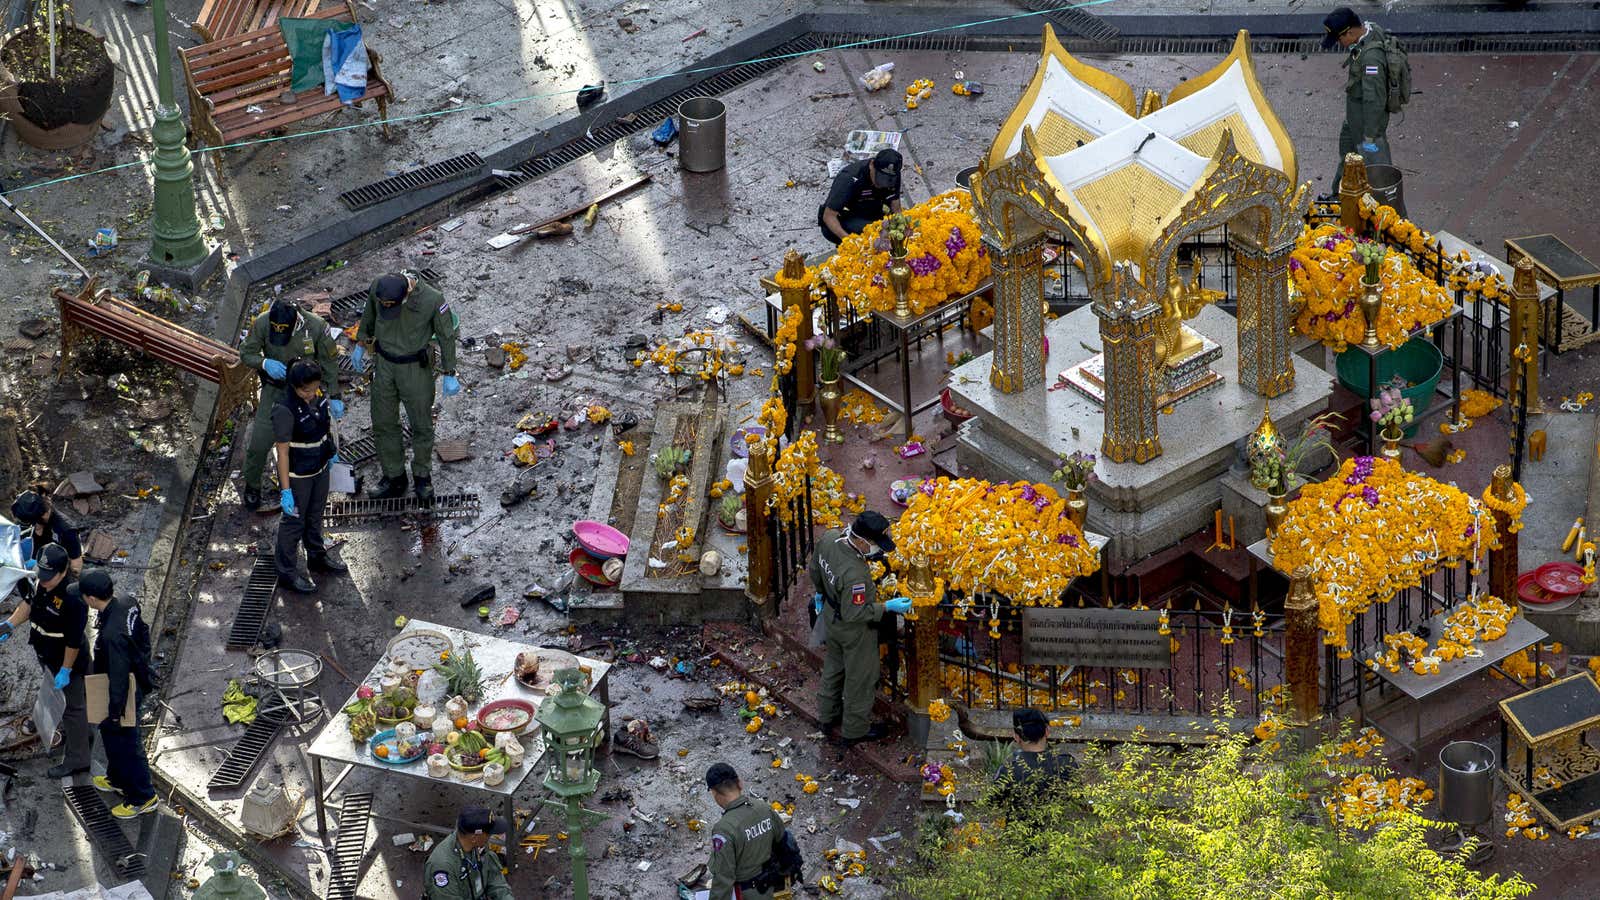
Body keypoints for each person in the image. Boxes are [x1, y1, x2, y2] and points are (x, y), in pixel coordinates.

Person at [352, 271, 461, 503]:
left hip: (415, 368)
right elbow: (369, 317)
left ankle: (422, 476)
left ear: (407, 295)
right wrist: (361, 343)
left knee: (421, 424)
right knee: (383, 423)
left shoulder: (432, 299)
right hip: (384, 365)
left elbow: (446, 334)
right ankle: (394, 476)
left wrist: (450, 371)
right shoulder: (378, 287)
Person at [810, 510, 912, 747]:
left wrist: (820, 592)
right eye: (876, 545)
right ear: (862, 541)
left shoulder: (829, 538)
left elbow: (815, 568)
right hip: (853, 631)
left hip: (830, 616)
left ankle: (827, 717)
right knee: (861, 678)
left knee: (834, 667)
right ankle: (854, 730)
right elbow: (855, 614)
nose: (878, 550)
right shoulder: (855, 574)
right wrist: (887, 606)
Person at [237, 297, 341, 510]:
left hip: (307, 392)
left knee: (318, 436)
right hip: (276, 390)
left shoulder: (316, 327)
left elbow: (329, 362)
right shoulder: (262, 323)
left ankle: (313, 479)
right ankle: (252, 483)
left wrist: (335, 394)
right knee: (260, 441)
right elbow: (247, 352)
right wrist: (265, 363)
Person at [0, 543, 93, 778]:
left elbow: (73, 641)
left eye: (49, 577)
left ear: (63, 572)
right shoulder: (41, 581)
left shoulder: (73, 597)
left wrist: (65, 670)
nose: (43, 581)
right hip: (46, 653)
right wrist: (10, 624)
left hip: (67, 660)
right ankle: (52, 723)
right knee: (54, 693)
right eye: (41, 575)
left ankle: (78, 760)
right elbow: (30, 604)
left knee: (74, 708)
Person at [79, 570, 159, 818]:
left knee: (127, 743)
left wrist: (115, 711)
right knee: (112, 738)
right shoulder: (126, 601)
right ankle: (117, 779)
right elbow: (143, 634)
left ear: (92, 599)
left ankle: (143, 797)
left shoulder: (113, 635)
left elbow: (119, 677)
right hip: (132, 677)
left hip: (123, 692)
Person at [273, 360, 345, 593]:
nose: (310, 394)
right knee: (294, 523)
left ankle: (316, 555)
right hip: (299, 475)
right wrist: (286, 490)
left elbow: (324, 428)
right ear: (294, 387)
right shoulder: (285, 409)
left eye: (314, 388)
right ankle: (286, 572)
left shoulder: (318, 397)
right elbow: (282, 452)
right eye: (305, 390)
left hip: (320, 468)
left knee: (315, 516)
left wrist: (331, 452)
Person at [1323, 7, 1393, 193]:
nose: (1339, 43)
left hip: (1367, 129)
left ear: (1351, 32)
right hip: (1355, 121)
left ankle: (1392, 218)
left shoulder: (1371, 60)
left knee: (1379, 179)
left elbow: (1374, 99)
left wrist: (1369, 136)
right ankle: (1338, 199)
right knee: (1348, 163)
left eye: (1339, 38)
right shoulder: (1368, 32)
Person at [706, 762, 794, 900]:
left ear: (714, 793)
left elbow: (724, 878)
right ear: (739, 783)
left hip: (748, 893)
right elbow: (783, 840)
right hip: (770, 884)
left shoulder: (724, 829)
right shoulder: (763, 807)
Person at [989, 708, 1077, 809]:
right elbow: (1078, 798)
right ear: (1047, 731)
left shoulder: (1008, 770)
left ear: (1016, 737)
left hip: (1018, 824)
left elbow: (993, 803)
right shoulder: (1067, 763)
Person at [424, 805, 514, 900]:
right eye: (489, 833)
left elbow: (494, 878)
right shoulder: (443, 866)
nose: (490, 836)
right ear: (474, 837)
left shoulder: (478, 844)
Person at [817, 148, 903, 245]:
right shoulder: (849, 179)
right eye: (880, 178)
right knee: (874, 235)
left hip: (874, 210)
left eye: (887, 180)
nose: (882, 184)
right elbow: (828, 216)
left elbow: (896, 208)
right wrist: (850, 241)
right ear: (871, 165)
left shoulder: (893, 176)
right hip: (847, 216)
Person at [9, 490, 82, 573]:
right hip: (39, 556)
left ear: (43, 514)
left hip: (56, 566)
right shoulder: (36, 514)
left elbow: (76, 564)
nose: (34, 524)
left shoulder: (67, 530)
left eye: (33, 522)